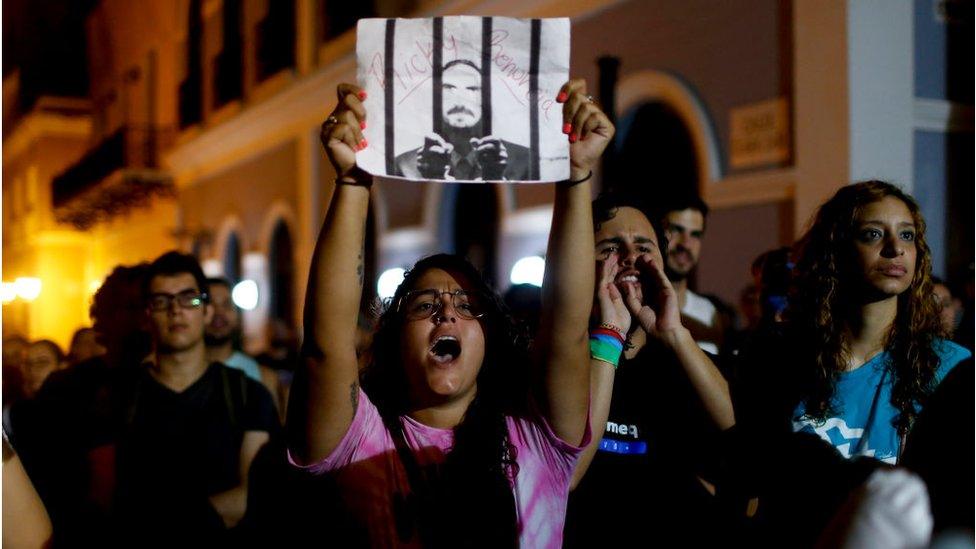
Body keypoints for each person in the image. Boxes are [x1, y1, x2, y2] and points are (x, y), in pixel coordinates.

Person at [287, 79, 609, 547]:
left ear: (490, 338)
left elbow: (566, 330)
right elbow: (324, 345)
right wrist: (352, 181)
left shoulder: (536, 438)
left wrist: (577, 175)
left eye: (467, 305)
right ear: (395, 338)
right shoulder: (359, 441)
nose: (446, 313)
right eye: (423, 304)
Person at [734, 180, 972, 545]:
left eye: (907, 236)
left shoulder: (952, 368)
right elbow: (747, 470)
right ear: (837, 249)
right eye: (873, 234)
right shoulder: (780, 352)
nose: (895, 249)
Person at [564, 193, 737, 547]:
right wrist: (610, 335)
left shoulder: (684, 358)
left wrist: (676, 336)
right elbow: (564, 472)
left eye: (643, 246)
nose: (630, 257)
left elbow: (745, 443)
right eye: (610, 247)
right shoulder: (559, 358)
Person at [105, 252, 278, 545]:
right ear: (147, 315)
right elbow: (104, 499)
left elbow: (253, 495)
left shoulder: (247, 393)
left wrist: (161, 520)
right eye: (162, 301)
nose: (176, 310)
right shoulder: (117, 397)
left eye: (189, 299)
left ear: (206, 312)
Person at [395, 59, 530, 181]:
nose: (460, 102)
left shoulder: (525, 162)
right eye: (448, 90)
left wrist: (495, 177)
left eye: (472, 90)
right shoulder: (404, 166)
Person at [657, 194, 733, 355]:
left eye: (695, 235)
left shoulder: (714, 314)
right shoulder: (634, 310)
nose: (686, 244)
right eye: (676, 230)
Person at [206, 277, 281, 413]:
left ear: (237, 315)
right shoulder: (183, 374)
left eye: (226, 305)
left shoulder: (264, 377)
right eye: (210, 305)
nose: (218, 313)